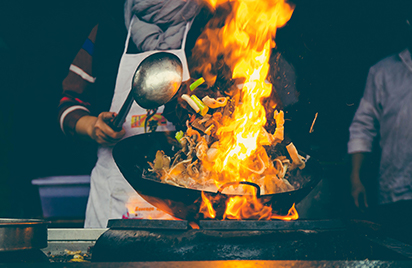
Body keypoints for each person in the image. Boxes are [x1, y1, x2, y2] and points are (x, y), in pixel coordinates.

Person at [58, 0, 205, 228]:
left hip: (183, 202)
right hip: (113, 196)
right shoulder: (110, 28)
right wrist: (92, 126)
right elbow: (69, 103)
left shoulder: (210, 28)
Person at [347, 19, 412, 240]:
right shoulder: (383, 72)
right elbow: (362, 127)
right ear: (409, 23)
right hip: (395, 192)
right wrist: (356, 177)